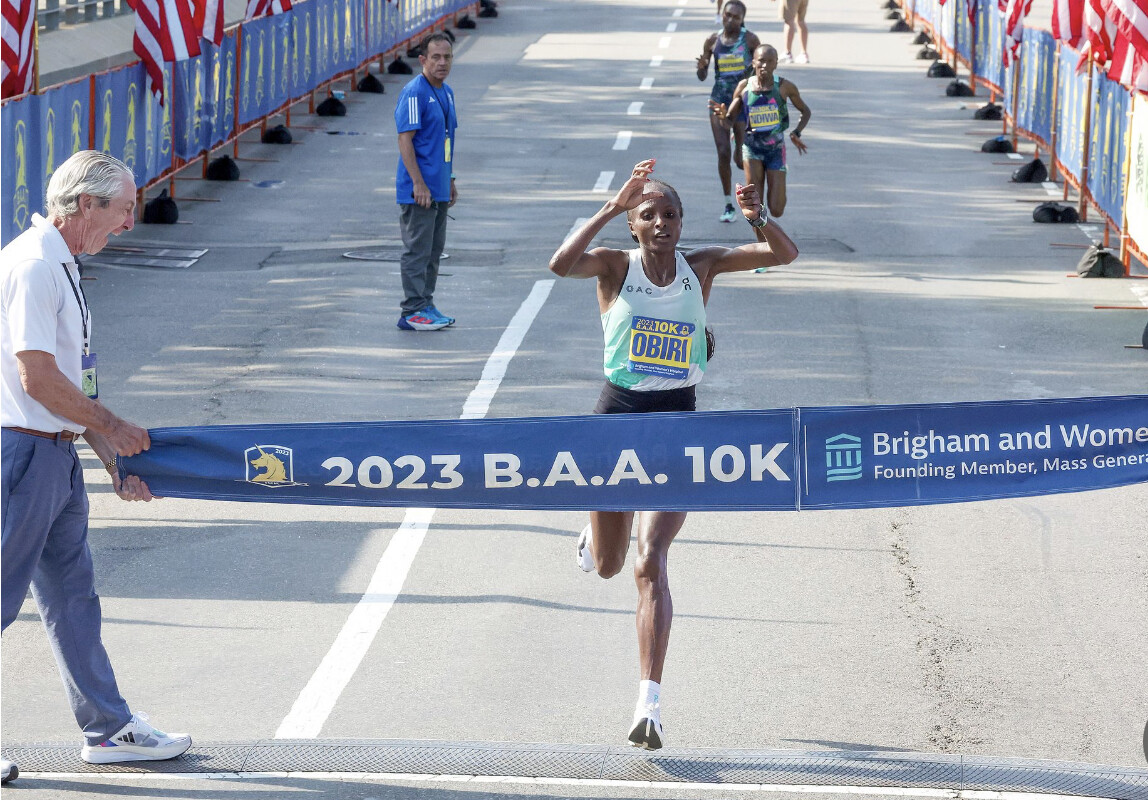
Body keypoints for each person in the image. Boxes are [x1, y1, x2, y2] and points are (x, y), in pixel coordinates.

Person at [547, 159, 798, 750]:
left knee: (649, 561)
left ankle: (649, 705)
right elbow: (560, 265)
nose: (661, 223)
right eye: (648, 215)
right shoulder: (615, 267)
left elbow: (783, 254)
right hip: (616, 423)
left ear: (682, 222)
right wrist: (610, 206)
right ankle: (593, 534)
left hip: (678, 425)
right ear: (633, 224)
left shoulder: (700, 266)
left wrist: (757, 215)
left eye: (671, 214)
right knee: (609, 565)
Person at [1, 151, 192, 783]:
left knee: (73, 598)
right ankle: (108, 726)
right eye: (124, 209)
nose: (130, 222)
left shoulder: (61, 264)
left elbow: (70, 382)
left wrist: (110, 459)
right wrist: (112, 427)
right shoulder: (35, 266)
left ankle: (108, 729)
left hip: (52, 453)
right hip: (22, 452)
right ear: (85, 204)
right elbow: (37, 378)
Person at [394, 31, 458, 332]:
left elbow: (445, 141)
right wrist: (418, 183)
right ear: (423, 60)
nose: (442, 63)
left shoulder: (447, 92)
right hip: (419, 190)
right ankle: (411, 311)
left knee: (433, 251)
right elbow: (405, 140)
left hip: (440, 187)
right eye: (436, 57)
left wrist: (451, 178)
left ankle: (426, 304)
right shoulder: (414, 93)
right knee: (417, 251)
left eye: (447, 57)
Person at [723, 44, 811, 220]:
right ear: (753, 62)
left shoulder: (785, 87)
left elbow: (805, 111)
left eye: (770, 61)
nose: (765, 65)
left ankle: (780, 175)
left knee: (776, 209)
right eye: (761, 61)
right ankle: (761, 237)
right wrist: (724, 119)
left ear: (776, 64)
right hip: (751, 149)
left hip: (776, 150)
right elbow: (731, 119)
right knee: (756, 207)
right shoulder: (744, 87)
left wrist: (796, 132)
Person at [696, 0, 760, 222]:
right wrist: (701, 68)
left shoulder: (750, 40)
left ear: (742, 20)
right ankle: (728, 205)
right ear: (722, 15)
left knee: (740, 159)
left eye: (736, 17)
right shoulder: (712, 41)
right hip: (719, 101)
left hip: (741, 103)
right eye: (727, 15)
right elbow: (702, 76)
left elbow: (761, 70)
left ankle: (753, 198)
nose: (730, 20)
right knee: (723, 152)